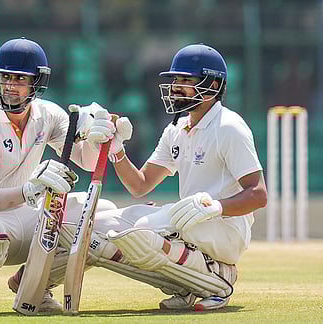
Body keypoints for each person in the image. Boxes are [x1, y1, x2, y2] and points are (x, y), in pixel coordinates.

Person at [84, 43, 268, 311]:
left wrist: (216, 207)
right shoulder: (177, 128)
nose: (176, 87)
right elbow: (140, 185)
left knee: (148, 228)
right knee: (106, 225)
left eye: (186, 80)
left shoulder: (229, 127)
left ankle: (219, 281)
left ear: (213, 85)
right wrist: (117, 152)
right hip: (188, 224)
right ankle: (187, 285)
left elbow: (258, 194)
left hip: (226, 229)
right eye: (175, 80)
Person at [0, 37, 118, 315]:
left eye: (20, 79)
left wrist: (98, 138)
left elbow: (85, 161)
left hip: (26, 218)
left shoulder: (48, 115)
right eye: (5, 77)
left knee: (99, 215)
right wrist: (30, 190)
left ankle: (35, 282)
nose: (10, 86)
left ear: (37, 82)